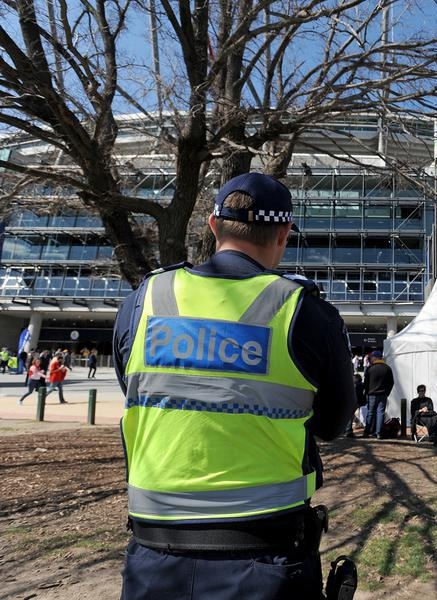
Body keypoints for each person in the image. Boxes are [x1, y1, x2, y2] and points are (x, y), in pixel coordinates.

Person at [112, 172, 356, 599]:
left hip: (154, 554)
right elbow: (334, 424)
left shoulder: (144, 300)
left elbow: (133, 389)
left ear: (213, 225)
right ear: (283, 233)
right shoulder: (305, 312)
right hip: (265, 555)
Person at [362, 350, 394, 439]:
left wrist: (366, 393)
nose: (371, 359)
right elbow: (391, 382)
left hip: (372, 394)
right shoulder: (387, 368)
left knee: (370, 413)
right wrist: (387, 393)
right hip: (383, 394)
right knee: (381, 413)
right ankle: (379, 433)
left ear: (375, 357)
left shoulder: (370, 368)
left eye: (372, 357)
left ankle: (367, 432)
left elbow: (366, 383)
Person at [345, 373, 367, 438]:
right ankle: (349, 430)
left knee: (349, 416)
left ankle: (348, 430)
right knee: (351, 415)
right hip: (357, 402)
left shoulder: (352, 385)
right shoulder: (361, 385)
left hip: (351, 401)